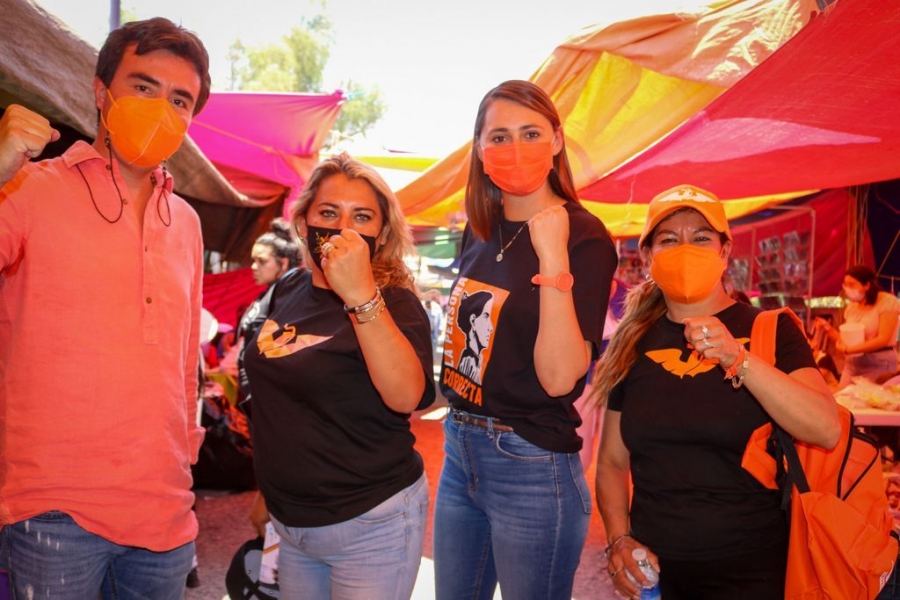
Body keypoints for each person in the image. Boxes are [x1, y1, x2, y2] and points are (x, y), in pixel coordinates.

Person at [0, 17, 210, 599]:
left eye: (180, 100)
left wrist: (186, 457)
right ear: (101, 92)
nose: (161, 109)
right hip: (52, 511)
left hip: (166, 513)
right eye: (143, 87)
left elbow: (183, 360)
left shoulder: (186, 222)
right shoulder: (28, 188)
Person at [593, 185, 841, 599]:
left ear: (725, 252)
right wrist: (619, 539)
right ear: (648, 257)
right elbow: (611, 463)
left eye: (701, 237)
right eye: (668, 239)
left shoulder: (771, 330)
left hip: (752, 570)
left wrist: (738, 359)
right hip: (655, 574)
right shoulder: (631, 342)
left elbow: (825, 428)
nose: (685, 249)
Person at [434, 79, 618, 599]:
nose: (514, 148)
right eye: (499, 136)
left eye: (531, 133)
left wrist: (553, 256)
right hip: (459, 448)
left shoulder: (585, 236)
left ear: (557, 140)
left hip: (529, 460)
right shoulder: (479, 229)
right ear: (479, 148)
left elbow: (560, 378)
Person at [242, 153, 436, 599]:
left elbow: (406, 396)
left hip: (371, 523)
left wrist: (361, 294)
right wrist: (267, 491)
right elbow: (282, 403)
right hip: (292, 524)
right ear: (303, 222)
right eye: (329, 213)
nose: (343, 228)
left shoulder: (396, 303)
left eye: (361, 217)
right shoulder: (289, 288)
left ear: (381, 234)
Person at [814, 265, 900, 389]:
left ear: (867, 285)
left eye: (852, 284)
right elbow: (847, 340)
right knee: (842, 398)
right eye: (845, 284)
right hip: (852, 364)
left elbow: (883, 339)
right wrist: (828, 329)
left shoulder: (887, 301)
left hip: (878, 362)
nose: (847, 288)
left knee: (871, 399)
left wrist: (848, 350)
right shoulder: (852, 307)